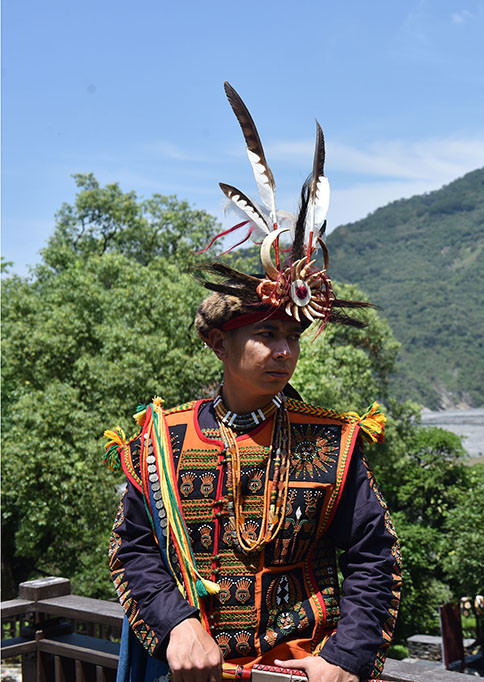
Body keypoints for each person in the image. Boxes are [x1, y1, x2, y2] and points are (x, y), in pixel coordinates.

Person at [104, 82, 401, 682]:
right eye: (266, 335)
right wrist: (177, 623)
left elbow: (375, 558)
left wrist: (345, 657)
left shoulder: (332, 443)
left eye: (292, 335)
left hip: (303, 671)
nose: (284, 351)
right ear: (220, 342)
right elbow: (133, 550)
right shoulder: (162, 439)